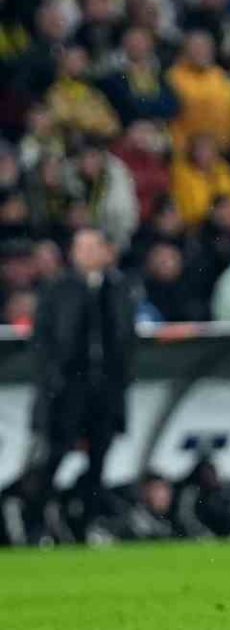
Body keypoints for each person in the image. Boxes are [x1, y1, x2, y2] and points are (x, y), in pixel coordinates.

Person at [25, 228, 136, 541]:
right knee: (54, 456)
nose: (87, 254)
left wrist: (122, 380)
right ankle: (35, 522)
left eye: (93, 247)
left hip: (105, 390)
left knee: (99, 458)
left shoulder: (118, 288)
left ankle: (85, 522)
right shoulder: (57, 289)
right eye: (81, 248)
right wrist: (52, 380)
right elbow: (43, 341)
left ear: (105, 251)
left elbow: (127, 339)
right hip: (67, 391)